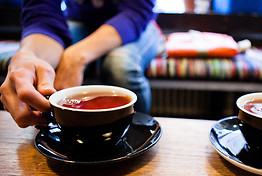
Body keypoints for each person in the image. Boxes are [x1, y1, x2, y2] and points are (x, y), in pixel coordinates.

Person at [0, 0, 165, 128]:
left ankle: (140, 129)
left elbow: (136, 11)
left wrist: (76, 55)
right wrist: (28, 56)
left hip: (138, 22)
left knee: (119, 66)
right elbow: (43, 16)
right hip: (80, 22)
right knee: (48, 66)